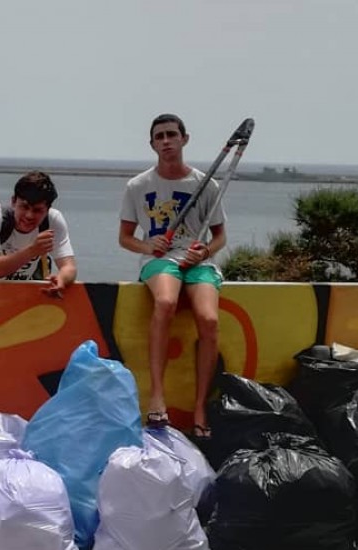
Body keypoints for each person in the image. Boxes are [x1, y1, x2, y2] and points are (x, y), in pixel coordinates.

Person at [118, 113, 227, 438]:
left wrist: (205, 252)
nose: (166, 141)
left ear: (184, 138)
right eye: (159, 137)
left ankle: (199, 406)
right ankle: (157, 395)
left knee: (208, 320)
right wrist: (147, 244)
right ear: (152, 144)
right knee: (165, 301)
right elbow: (124, 238)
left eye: (171, 135)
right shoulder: (138, 186)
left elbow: (220, 236)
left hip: (197, 262)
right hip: (160, 260)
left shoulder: (205, 184)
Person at [0, 170, 76, 295]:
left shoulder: (53, 221)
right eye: (24, 207)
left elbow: (69, 267)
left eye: (37, 210)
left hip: (15, 298)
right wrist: (32, 251)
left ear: (48, 209)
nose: (29, 215)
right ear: (13, 201)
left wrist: (62, 279)